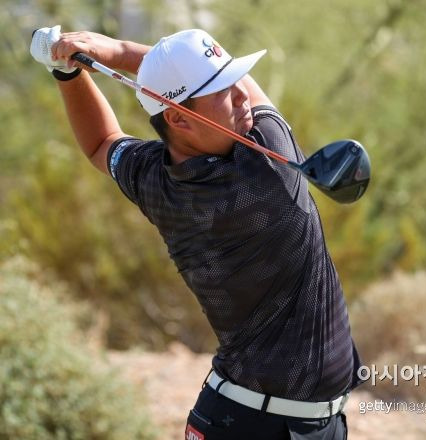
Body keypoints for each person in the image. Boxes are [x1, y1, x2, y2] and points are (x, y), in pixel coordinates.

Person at [30, 25, 363, 440]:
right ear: (177, 117)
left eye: (232, 81)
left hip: (253, 416)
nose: (241, 95)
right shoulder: (268, 167)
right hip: (253, 426)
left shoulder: (156, 181)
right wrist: (116, 51)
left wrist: (67, 74)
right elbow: (254, 91)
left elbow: (102, 143)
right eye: (224, 90)